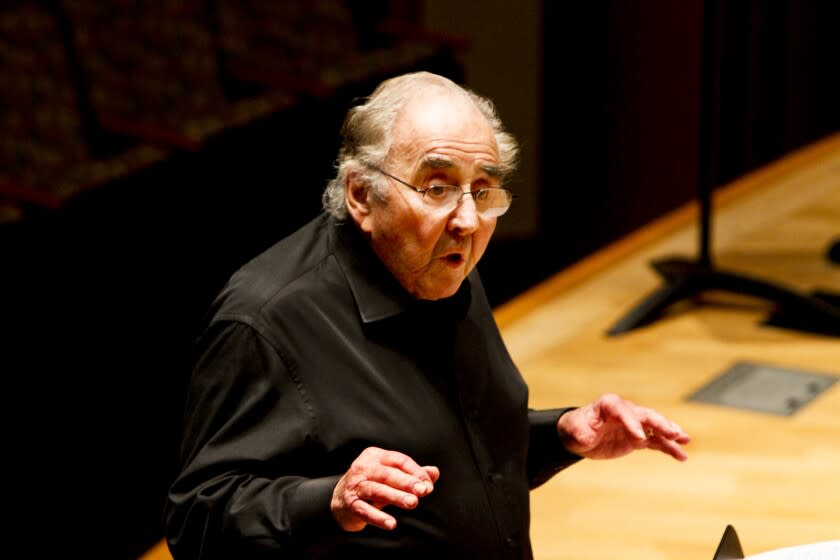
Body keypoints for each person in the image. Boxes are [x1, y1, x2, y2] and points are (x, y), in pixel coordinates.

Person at [164, 71, 691, 559]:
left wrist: (562, 435)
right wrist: (330, 501)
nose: (466, 218)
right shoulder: (266, 320)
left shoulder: (445, 263)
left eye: (482, 190)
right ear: (360, 195)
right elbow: (197, 518)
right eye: (437, 188)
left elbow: (455, 456)